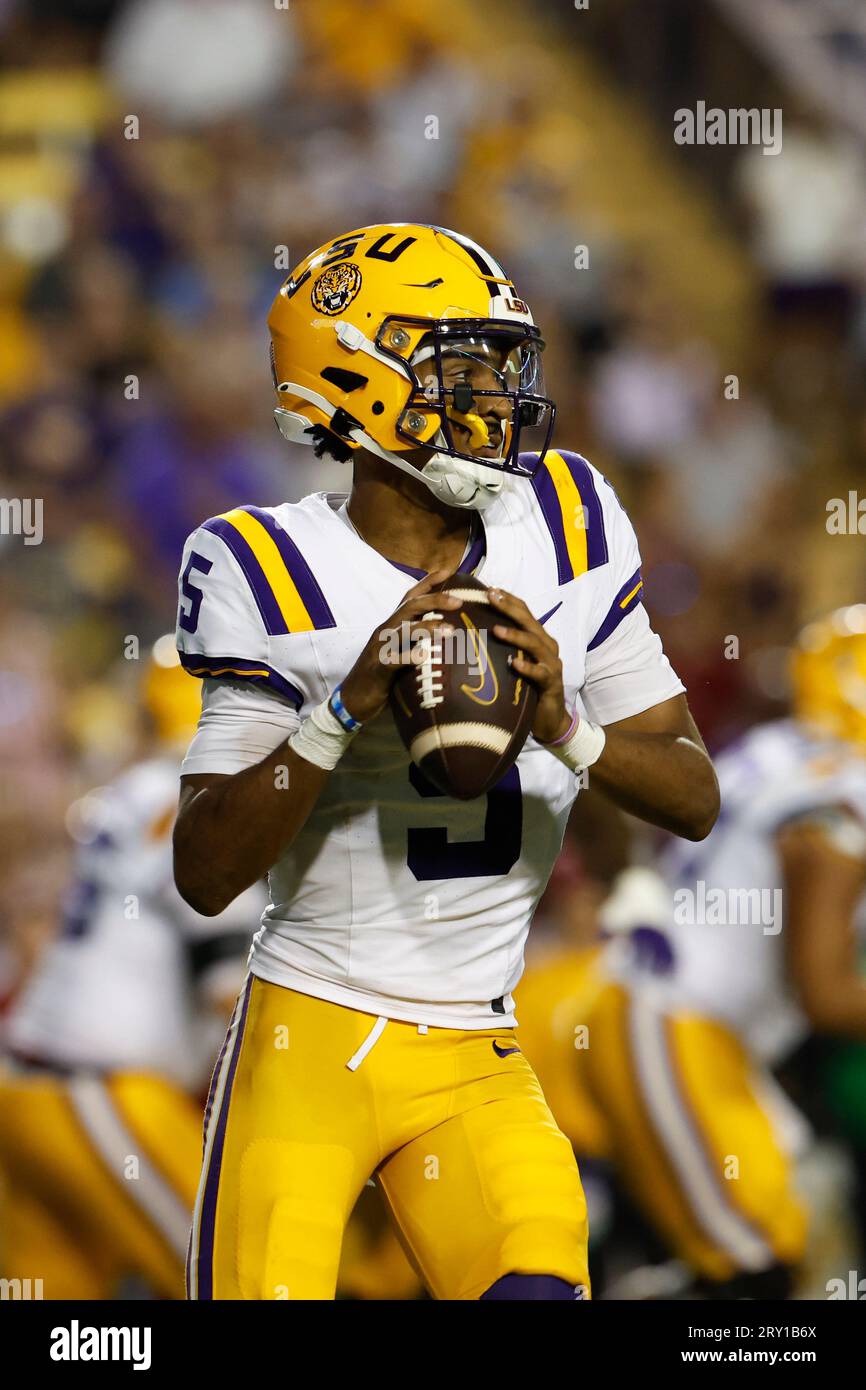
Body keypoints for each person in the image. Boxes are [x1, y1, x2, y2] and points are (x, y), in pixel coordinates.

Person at [173, 222, 719, 1301]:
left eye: (501, 367)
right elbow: (202, 870)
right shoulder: (263, 563)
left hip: (475, 1046)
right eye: (458, 368)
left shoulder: (561, 516)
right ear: (354, 377)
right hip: (309, 1036)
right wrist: (342, 708)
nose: (494, 397)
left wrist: (570, 724)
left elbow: (691, 794)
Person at [525, 607, 866, 1298]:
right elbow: (825, 992)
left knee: (761, 1249)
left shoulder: (778, 751)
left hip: (662, 1017)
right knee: (763, 1269)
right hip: (676, 1028)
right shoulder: (838, 803)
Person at [0, 640, 260, 1299]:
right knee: (237, 1278)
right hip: (99, 1088)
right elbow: (229, 990)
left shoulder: (132, 790)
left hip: (31, 1092)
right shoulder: (203, 794)